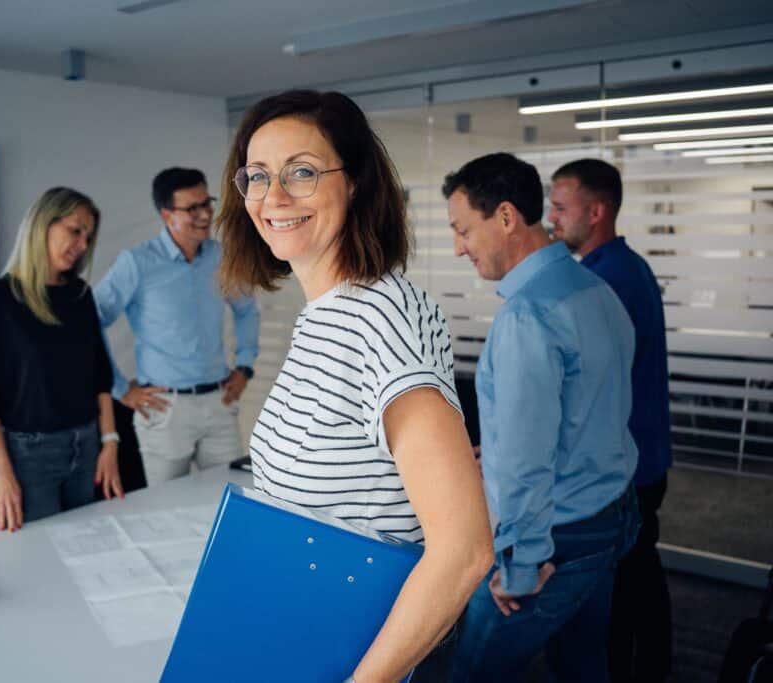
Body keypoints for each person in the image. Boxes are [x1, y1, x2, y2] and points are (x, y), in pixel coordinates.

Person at [217, 89, 494, 683]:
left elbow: (464, 550)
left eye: (303, 172)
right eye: (258, 175)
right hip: (306, 630)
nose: (274, 196)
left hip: (361, 652)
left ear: (357, 183)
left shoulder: (383, 316)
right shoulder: (324, 313)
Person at [443, 153, 641, 682]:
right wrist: (502, 446)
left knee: (469, 672)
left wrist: (522, 565)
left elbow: (528, 461)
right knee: (582, 665)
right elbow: (593, 411)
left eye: (463, 230)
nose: (458, 246)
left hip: (554, 540)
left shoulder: (527, 315)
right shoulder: (597, 292)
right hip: (610, 517)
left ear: (506, 217)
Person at [550, 158, 673, 681]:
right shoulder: (624, 268)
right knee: (640, 570)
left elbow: (588, 392)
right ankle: (655, 665)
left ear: (596, 211)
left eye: (560, 207)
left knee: (621, 590)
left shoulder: (605, 284)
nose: (551, 218)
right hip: (644, 458)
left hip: (628, 465)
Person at [0, 187, 123, 533]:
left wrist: (110, 443)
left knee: (88, 547)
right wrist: (1, 473)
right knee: (41, 557)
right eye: (75, 230)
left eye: (88, 236)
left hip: (86, 446)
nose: (82, 244)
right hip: (29, 455)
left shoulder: (80, 295)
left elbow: (100, 376)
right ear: (42, 225)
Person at [94, 168, 259, 485]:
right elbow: (92, 322)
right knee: (165, 512)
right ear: (167, 215)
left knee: (233, 499)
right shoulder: (136, 262)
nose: (205, 214)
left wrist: (245, 366)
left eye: (206, 203)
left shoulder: (221, 257)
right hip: (165, 409)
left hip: (219, 402)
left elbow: (246, 310)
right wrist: (120, 388)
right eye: (192, 208)